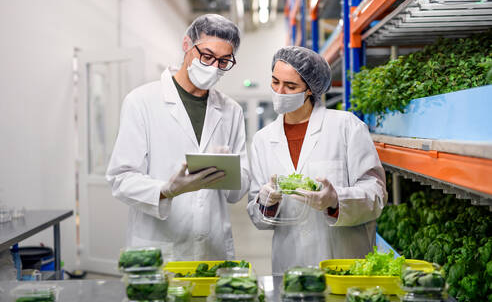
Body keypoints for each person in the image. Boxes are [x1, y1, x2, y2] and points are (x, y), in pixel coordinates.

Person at [107, 14, 250, 261]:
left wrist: (228, 175)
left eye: (224, 61)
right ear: (186, 45)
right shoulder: (141, 101)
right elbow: (121, 178)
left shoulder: (231, 110)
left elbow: (239, 188)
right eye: (207, 56)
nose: (214, 66)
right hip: (159, 247)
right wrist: (166, 190)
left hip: (211, 246)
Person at [247, 46, 387, 275]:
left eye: (290, 86)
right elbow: (258, 217)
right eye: (275, 82)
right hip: (291, 264)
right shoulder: (263, 139)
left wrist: (335, 200)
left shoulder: (346, 126)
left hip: (342, 261)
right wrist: (266, 202)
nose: (280, 91)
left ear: (310, 90)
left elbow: (377, 194)